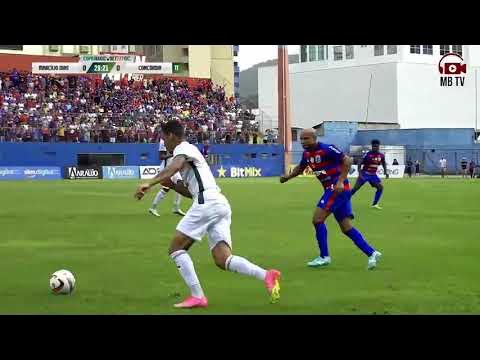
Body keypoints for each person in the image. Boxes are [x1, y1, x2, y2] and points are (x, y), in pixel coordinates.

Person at [135, 120, 281, 309]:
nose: (163, 142)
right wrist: (172, 185)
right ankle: (266, 275)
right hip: (218, 203)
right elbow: (190, 192)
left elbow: (176, 165)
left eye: (163, 137)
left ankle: (197, 296)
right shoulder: (187, 154)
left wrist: (149, 183)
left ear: (171, 135)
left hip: (208, 202)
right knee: (223, 259)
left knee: (175, 248)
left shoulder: (183, 148)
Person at [279, 129, 382, 269]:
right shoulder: (307, 154)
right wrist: (287, 177)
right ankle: (372, 253)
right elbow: (300, 168)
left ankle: (324, 256)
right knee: (346, 228)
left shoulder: (327, 149)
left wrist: (340, 181)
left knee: (317, 219)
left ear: (314, 139)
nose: (303, 142)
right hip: (335, 190)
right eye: (301, 139)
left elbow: (347, 160)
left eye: (306, 138)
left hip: (336, 188)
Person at [149, 137, 186, 217]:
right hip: (166, 169)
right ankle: (153, 208)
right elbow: (161, 157)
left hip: (173, 168)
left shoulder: (175, 140)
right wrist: (172, 154)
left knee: (181, 185)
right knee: (166, 188)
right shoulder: (163, 141)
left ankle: (176, 207)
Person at [350, 139, 389, 210]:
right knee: (355, 189)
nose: (375, 148)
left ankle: (375, 204)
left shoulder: (381, 155)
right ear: (372, 146)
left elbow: (383, 163)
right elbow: (359, 163)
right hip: (365, 174)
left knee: (380, 188)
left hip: (373, 175)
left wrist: (385, 172)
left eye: (377, 146)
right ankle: (344, 200)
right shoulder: (368, 154)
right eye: (374, 146)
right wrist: (360, 173)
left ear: (378, 146)